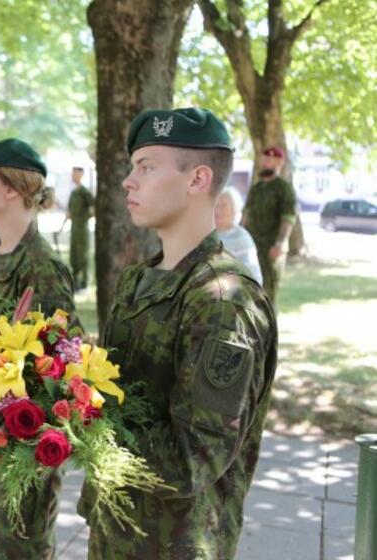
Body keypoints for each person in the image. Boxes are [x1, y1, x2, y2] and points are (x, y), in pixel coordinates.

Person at [80, 108, 276, 559]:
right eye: (132, 168)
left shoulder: (224, 301)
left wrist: (80, 419)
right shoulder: (138, 280)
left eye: (146, 167)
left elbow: (194, 461)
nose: (129, 181)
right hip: (115, 530)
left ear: (197, 179)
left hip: (173, 545)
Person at [0, 139, 76, 559]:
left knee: (19, 550)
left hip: (23, 448)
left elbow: (61, 365)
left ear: (11, 189)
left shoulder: (42, 266)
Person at [242, 146, 297, 304]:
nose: (265, 163)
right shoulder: (256, 188)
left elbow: (288, 217)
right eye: (263, 159)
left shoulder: (283, 188)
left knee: (267, 295)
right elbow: (246, 215)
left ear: (279, 162)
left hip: (271, 249)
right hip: (252, 247)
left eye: (269, 160)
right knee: (250, 290)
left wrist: (280, 243)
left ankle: (269, 328)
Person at [215, 187, 263, 285]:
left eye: (224, 205)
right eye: (216, 205)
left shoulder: (241, 237)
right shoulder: (206, 234)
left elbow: (253, 276)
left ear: (234, 210)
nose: (218, 210)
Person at [66, 165, 94, 290]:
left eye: (74, 173)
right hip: (74, 227)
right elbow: (70, 211)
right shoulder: (74, 192)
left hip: (82, 228)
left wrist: (84, 217)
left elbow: (94, 207)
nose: (72, 176)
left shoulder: (84, 191)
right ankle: (75, 281)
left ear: (80, 174)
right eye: (72, 173)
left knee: (82, 254)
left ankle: (84, 282)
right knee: (74, 254)